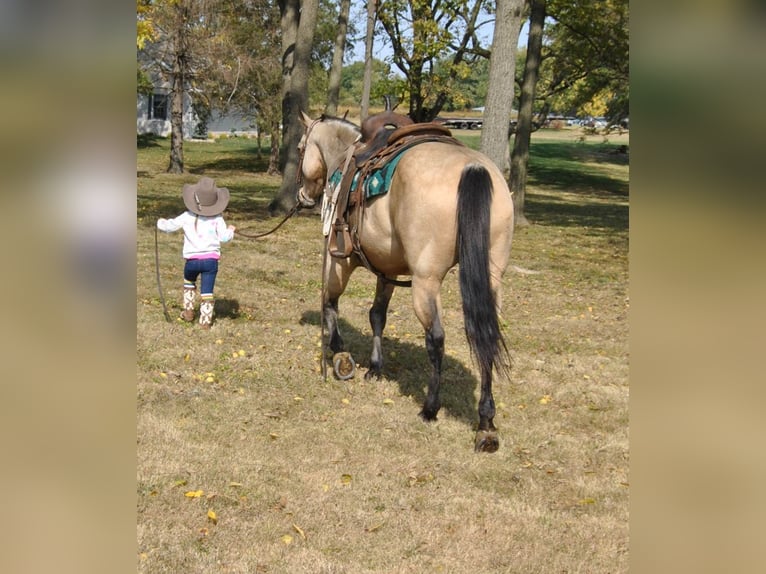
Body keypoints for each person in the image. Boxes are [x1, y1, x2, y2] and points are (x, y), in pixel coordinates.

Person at [157, 177, 235, 328]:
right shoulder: (217, 218)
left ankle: (188, 312)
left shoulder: (187, 216)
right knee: (207, 291)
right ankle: (205, 321)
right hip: (210, 262)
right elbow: (224, 237)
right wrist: (231, 230)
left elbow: (170, 225)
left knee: (189, 282)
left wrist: (160, 222)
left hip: (192, 261)